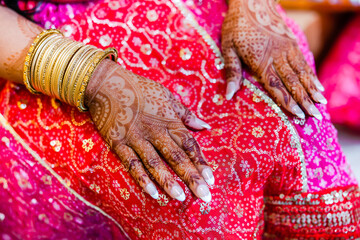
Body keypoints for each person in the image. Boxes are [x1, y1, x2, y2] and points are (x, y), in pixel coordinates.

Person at [0, 0, 358, 239]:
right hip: (35, 44)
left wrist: (255, 7)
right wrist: (98, 82)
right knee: (190, 202)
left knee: (295, 129)